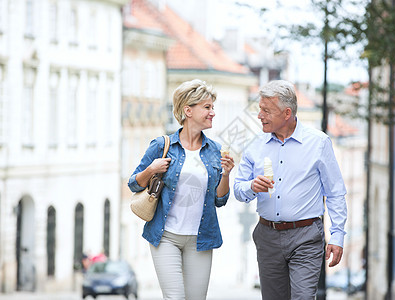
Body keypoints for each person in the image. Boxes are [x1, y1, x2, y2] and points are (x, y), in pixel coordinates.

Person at [234, 80, 347, 300]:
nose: (260, 116)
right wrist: (251, 186)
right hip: (267, 236)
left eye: (266, 111)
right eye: (260, 109)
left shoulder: (319, 143)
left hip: (306, 236)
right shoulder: (254, 145)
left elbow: (335, 192)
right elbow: (238, 189)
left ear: (287, 113)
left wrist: (337, 236)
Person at [128, 79, 234, 300]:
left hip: (201, 238)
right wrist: (151, 169)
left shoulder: (214, 150)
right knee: (174, 297)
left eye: (213, 107)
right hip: (166, 236)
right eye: (207, 107)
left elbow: (219, 200)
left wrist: (226, 174)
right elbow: (133, 184)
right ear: (188, 110)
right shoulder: (162, 145)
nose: (212, 112)